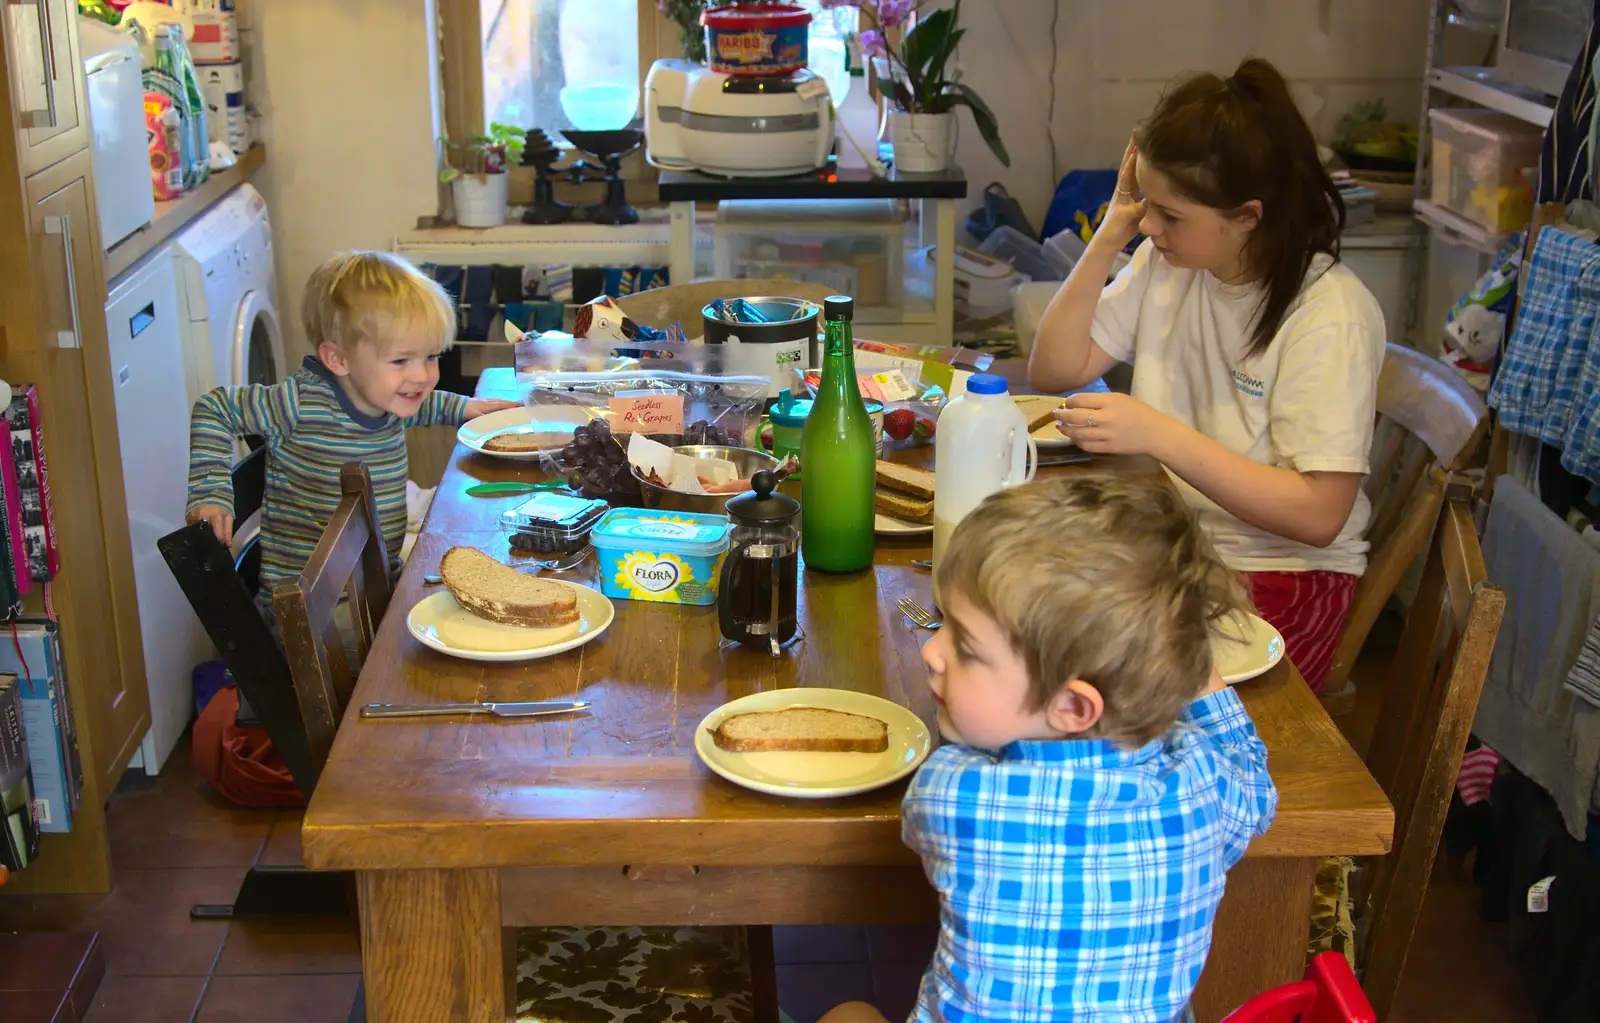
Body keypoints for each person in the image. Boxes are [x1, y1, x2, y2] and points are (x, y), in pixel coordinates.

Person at [821, 475, 1277, 1023]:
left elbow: (934, 811)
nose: (931, 652)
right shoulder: (1206, 779)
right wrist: (1187, 666)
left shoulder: (953, 791)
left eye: (965, 646)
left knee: (849, 1012)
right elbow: (1256, 781)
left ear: (1074, 707)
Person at [1027, 58, 1386, 694]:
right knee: (1024, 629)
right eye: (1146, 205)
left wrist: (1159, 434)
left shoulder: (1330, 313)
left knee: (1093, 684)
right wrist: (1113, 230)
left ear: (1247, 216)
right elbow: (1055, 368)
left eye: (1170, 214)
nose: (1152, 228)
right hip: (1176, 550)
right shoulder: (1169, 262)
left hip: (1281, 575)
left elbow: (1319, 515)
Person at [185, 250, 517, 636]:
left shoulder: (379, 394)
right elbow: (215, 408)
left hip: (371, 581)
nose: (423, 376)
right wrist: (210, 492)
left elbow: (421, 402)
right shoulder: (298, 405)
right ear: (338, 359)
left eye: (431, 356)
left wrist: (466, 407)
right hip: (313, 614)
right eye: (400, 362)